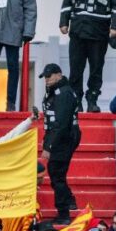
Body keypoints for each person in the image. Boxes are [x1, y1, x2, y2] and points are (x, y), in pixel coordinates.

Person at [59, 0, 116, 112]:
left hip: (99, 32)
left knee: (96, 70)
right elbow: (67, 1)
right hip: (77, 31)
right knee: (75, 70)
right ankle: (76, 100)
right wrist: (63, 22)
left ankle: (92, 100)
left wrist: (115, 26)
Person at [41, 63, 79, 220]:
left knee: (57, 174)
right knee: (56, 172)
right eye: (45, 77)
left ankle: (64, 213)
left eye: (49, 76)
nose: (46, 80)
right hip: (61, 136)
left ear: (59, 75)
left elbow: (61, 124)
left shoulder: (64, 93)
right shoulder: (56, 91)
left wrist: (49, 146)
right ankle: (69, 201)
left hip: (64, 137)